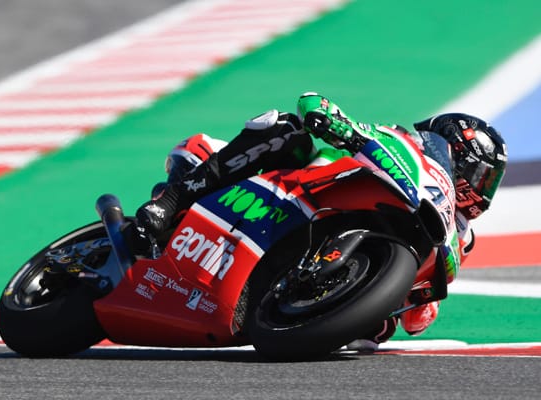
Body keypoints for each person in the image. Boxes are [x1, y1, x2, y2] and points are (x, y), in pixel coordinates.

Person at [133, 92, 508, 350]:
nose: (482, 188)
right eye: (481, 175)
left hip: (323, 287)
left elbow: (418, 321)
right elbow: (316, 105)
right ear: (456, 154)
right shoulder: (402, 142)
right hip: (298, 190)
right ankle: (171, 203)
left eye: (489, 181)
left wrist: (412, 302)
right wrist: (334, 121)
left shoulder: (461, 236)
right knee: (284, 129)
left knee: (374, 335)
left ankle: (306, 298)